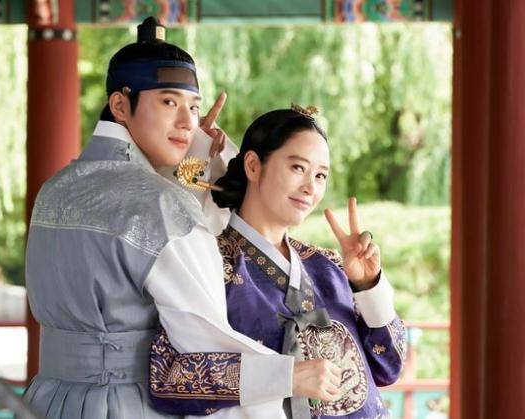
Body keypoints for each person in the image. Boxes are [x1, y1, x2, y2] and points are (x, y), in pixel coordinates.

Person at [24, 18, 325, 418]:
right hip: (129, 404)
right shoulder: (163, 205)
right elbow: (206, 346)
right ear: (120, 105)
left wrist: (193, 160)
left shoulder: (55, 189)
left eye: (194, 107)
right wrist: (289, 375)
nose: (187, 122)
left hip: (47, 400)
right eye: (169, 103)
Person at [149, 107, 407, 418]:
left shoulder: (329, 265)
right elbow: (169, 377)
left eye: (321, 175)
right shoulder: (209, 263)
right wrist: (287, 376)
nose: (311, 187)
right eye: (298, 167)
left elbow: (389, 367)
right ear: (253, 166)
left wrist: (368, 285)